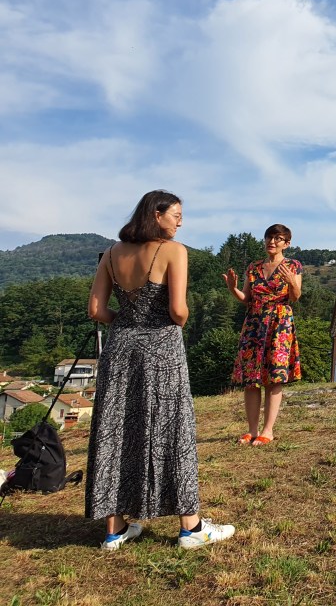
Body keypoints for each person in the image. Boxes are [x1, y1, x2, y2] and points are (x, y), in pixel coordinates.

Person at [86, 190, 235, 551]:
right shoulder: (174, 251)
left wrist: (125, 320)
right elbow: (179, 311)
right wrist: (164, 320)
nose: (180, 221)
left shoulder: (110, 255)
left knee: (116, 428)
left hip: (120, 348)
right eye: (176, 214)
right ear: (156, 214)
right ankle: (191, 527)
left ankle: (115, 528)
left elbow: (96, 310)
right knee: (172, 427)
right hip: (162, 347)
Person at [223, 224, 302, 446]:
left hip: (280, 324)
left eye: (278, 239)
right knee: (251, 380)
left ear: (287, 243)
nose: (272, 242)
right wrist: (232, 288)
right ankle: (251, 431)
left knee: (274, 378)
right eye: (269, 237)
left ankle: (268, 431)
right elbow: (245, 298)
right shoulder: (254, 267)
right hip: (254, 324)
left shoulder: (293, 266)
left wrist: (291, 282)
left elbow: (295, 297)